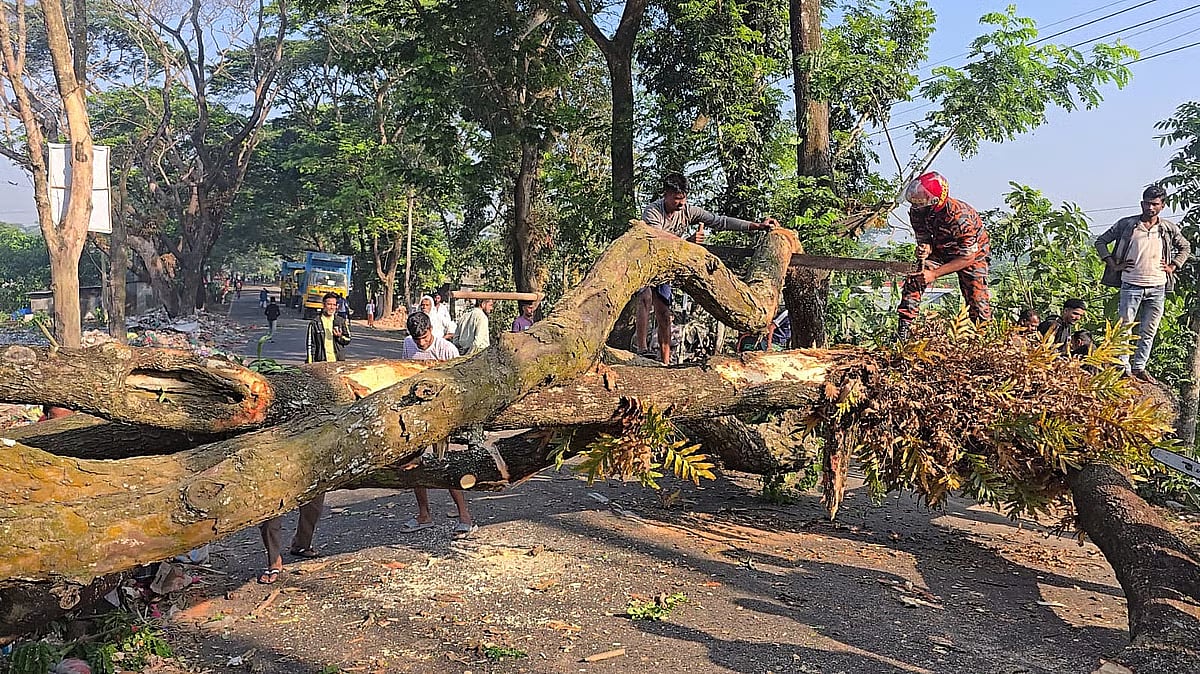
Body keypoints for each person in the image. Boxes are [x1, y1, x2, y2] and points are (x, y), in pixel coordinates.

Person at [638, 173, 779, 363]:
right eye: (676, 199)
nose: (680, 203)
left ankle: (664, 361)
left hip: (666, 267)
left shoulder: (689, 211)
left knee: (664, 312)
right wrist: (688, 242)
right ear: (666, 195)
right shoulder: (652, 212)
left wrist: (756, 226)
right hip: (645, 261)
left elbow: (720, 221)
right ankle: (641, 348)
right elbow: (658, 239)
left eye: (683, 198)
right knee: (645, 297)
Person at [258, 297, 347, 584]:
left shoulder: (318, 400)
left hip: (306, 460)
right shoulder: (265, 411)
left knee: (314, 504)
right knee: (272, 510)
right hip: (277, 464)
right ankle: (274, 560)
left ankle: (302, 543)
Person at [1094, 184, 1191, 382]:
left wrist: (1173, 265)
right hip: (1130, 284)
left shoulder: (1167, 228)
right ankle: (1122, 366)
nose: (1150, 208)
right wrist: (1113, 264)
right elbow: (1101, 241)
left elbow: (1185, 247)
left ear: (1162, 206)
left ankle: (1139, 367)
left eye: (1154, 204)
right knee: (1125, 327)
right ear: (1141, 203)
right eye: (1147, 203)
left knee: (1149, 329)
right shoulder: (1127, 225)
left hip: (1157, 286)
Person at [398, 311, 477, 539]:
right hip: (415, 416)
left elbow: (456, 386)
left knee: (445, 464)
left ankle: (464, 516)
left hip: (441, 417)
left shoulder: (447, 350)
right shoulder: (407, 345)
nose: (421, 343)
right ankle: (424, 515)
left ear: (431, 329)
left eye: (424, 337)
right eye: (417, 339)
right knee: (413, 464)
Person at [896, 172, 991, 339]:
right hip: (942, 249)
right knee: (916, 277)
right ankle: (903, 331)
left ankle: (983, 338)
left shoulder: (960, 216)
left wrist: (934, 274)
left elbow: (967, 256)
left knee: (977, 298)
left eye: (922, 201)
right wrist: (925, 248)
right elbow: (924, 238)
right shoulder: (917, 212)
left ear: (935, 201)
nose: (917, 206)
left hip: (971, 255)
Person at [305, 292, 352, 363]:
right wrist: (310, 363)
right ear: (324, 305)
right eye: (329, 304)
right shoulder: (315, 323)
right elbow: (310, 346)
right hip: (321, 362)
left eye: (334, 305)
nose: (332, 307)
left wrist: (339, 337)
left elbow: (348, 339)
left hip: (337, 362)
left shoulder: (340, 321)